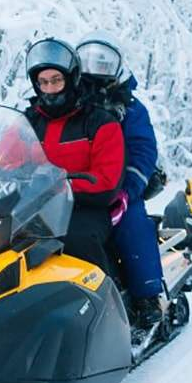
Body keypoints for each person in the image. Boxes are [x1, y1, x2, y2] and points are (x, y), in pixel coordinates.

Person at [76, 32, 167, 325]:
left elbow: (142, 147)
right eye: (87, 61)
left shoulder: (129, 107)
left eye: (101, 63)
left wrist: (127, 189)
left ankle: (147, 294)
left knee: (132, 223)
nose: (93, 69)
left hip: (118, 184)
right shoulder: (69, 99)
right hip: (73, 185)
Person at [22, 38, 125, 276]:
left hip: (82, 208)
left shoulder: (99, 122)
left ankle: (103, 302)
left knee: (78, 241)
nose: (49, 89)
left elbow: (106, 181)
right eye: (43, 82)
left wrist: (58, 186)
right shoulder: (26, 123)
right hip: (30, 209)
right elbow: (1, 161)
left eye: (56, 80)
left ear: (71, 78)